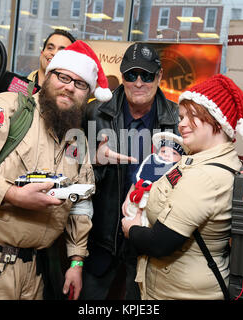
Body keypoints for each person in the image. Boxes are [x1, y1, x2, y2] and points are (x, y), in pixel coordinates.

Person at [0, 40, 112, 300]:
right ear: (49, 75)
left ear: (87, 94)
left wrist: (76, 262)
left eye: (80, 83)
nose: (69, 87)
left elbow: (80, 204)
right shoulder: (10, 108)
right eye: (63, 77)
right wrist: (12, 194)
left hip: (33, 271)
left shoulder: (78, 140)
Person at [122, 74, 243, 300]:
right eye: (181, 116)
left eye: (191, 116)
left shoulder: (206, 175)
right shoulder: (200, 160)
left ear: (217, 121)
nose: (181, 124)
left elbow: (160, 243)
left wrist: (132, 228)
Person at [81, 43, 179, 300]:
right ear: (122, 76)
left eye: (146, 75)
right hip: (101, 238)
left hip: (149, 241)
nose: (138, 83)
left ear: (159, 77)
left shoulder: (177, 120)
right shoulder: (94, 113)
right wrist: (94, 161)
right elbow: (71, 174)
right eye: (131, 75)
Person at [123, 132, 185, 227]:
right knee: (129, 220)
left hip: (156, 213)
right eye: (163, 151)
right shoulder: (150, 161)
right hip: (136, 202)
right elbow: (136, 181)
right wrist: (128, 199)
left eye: (174, 153)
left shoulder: (177, 171)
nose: (167, 155)